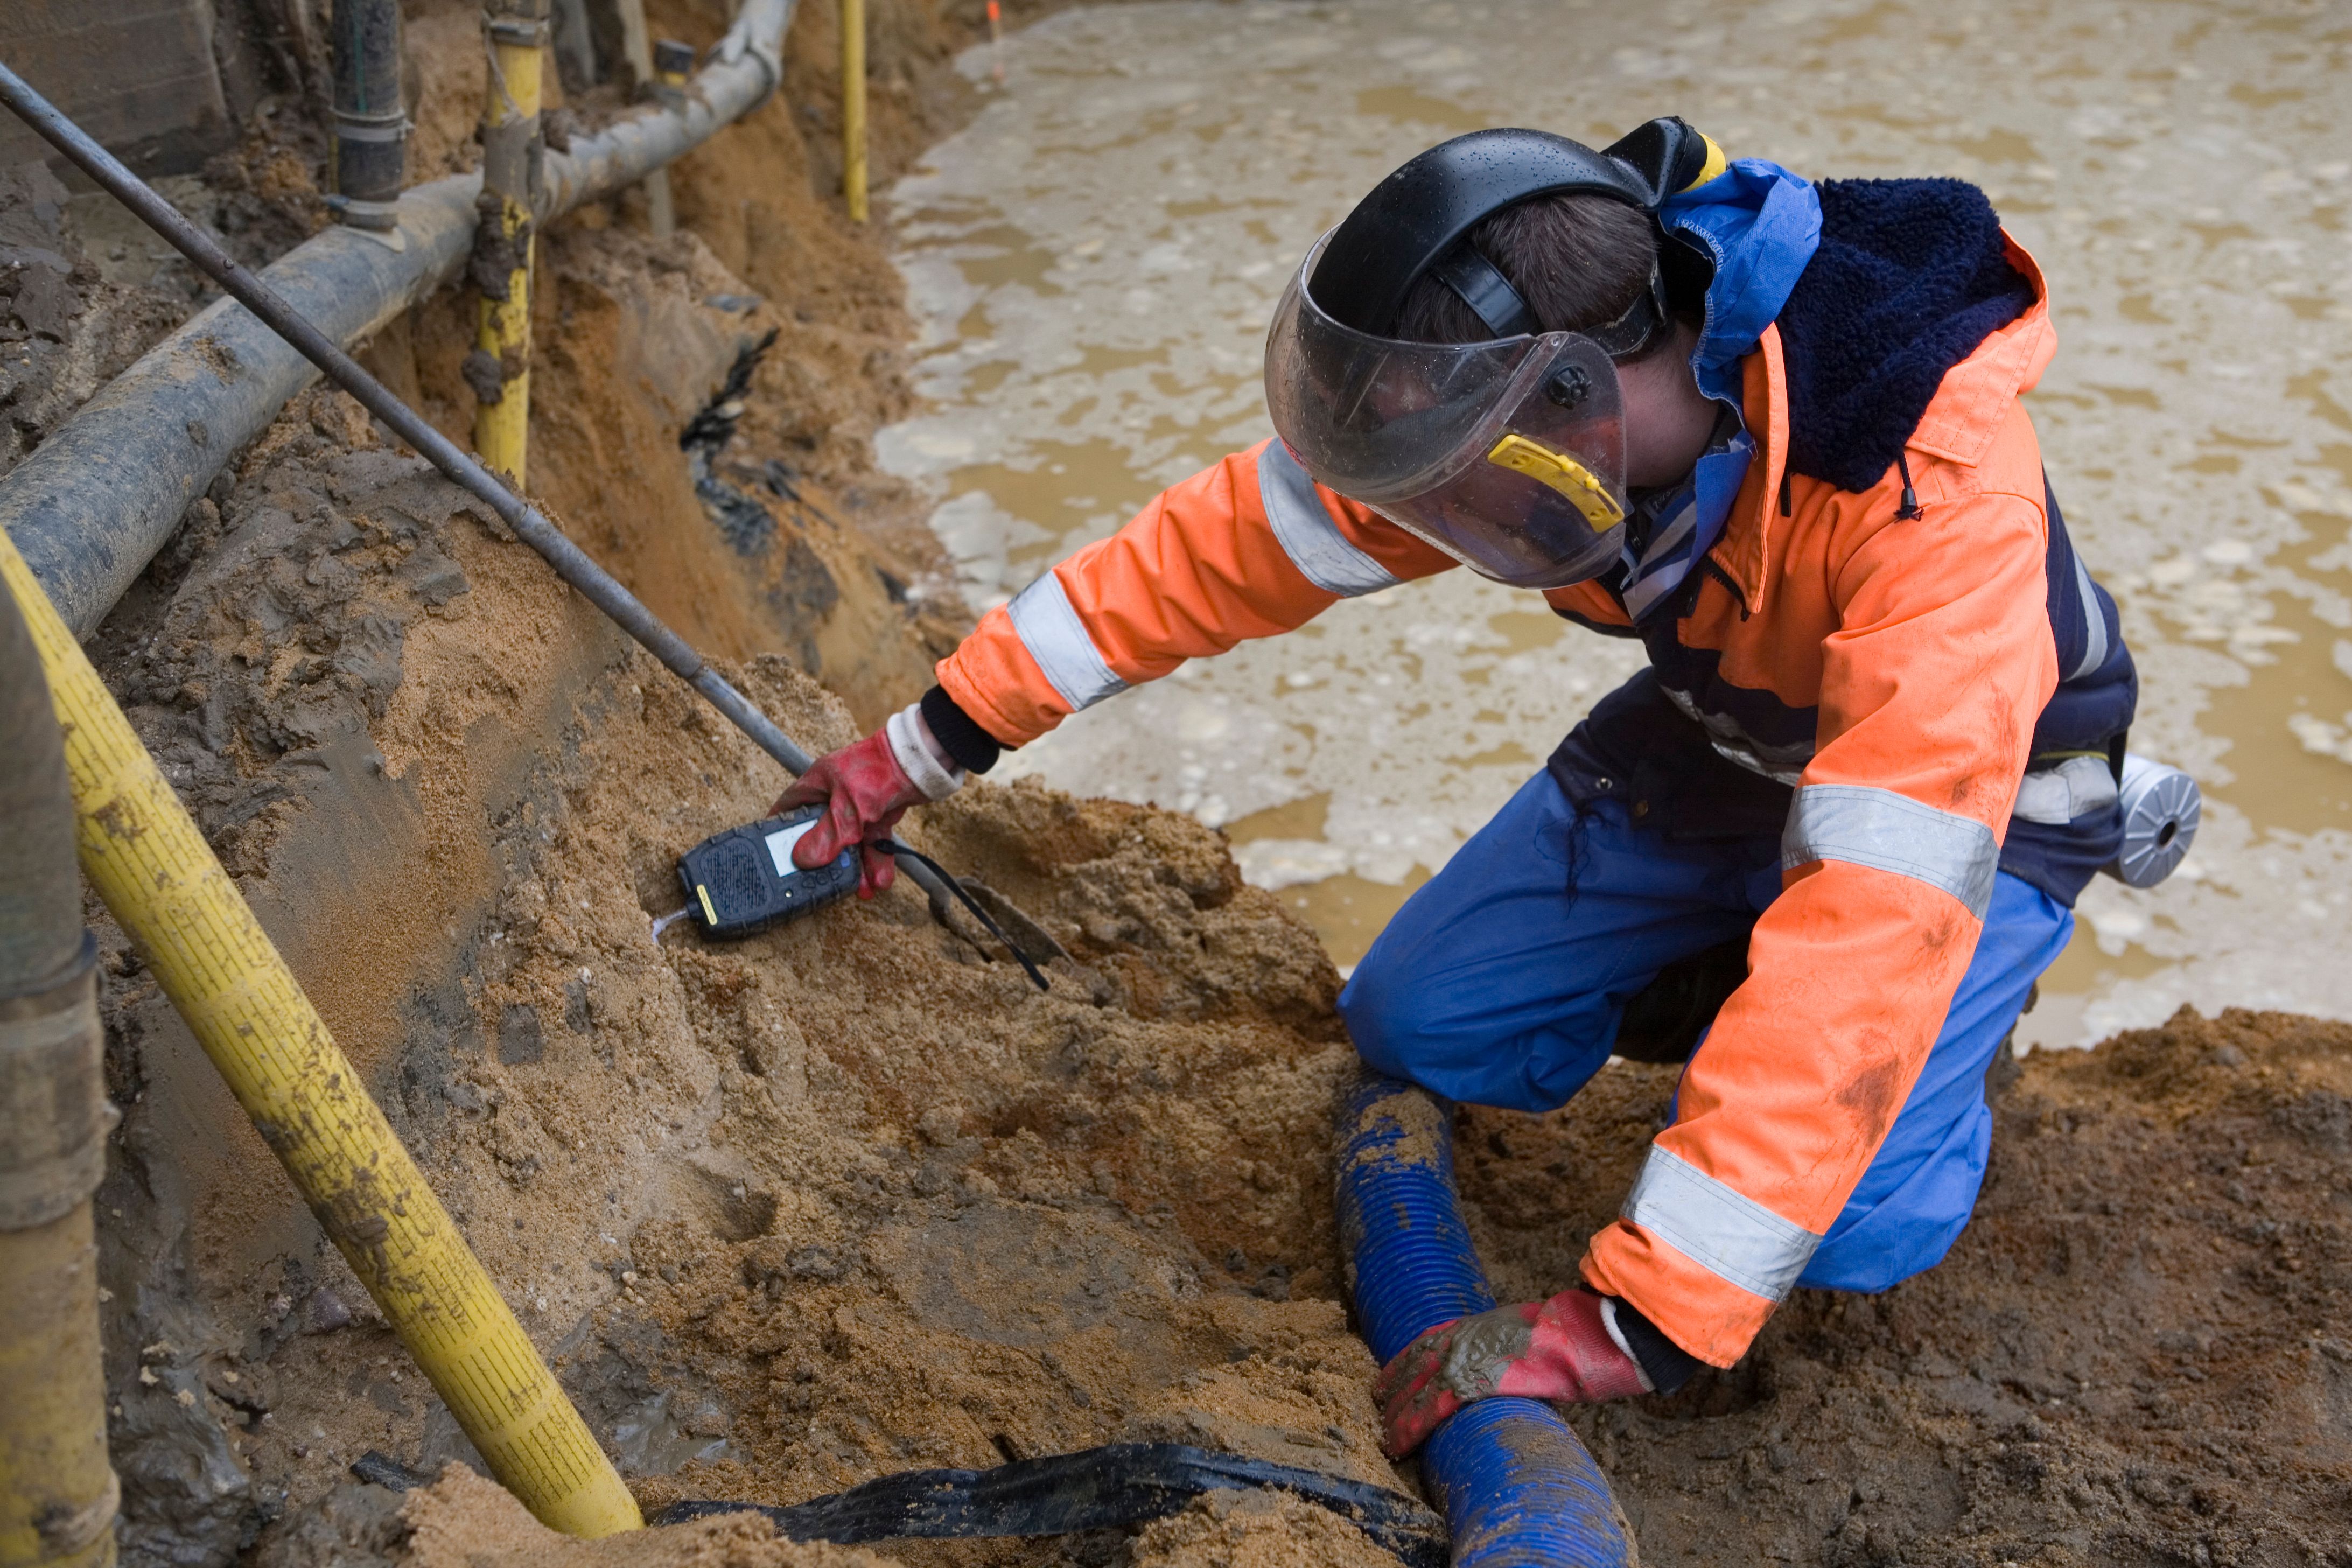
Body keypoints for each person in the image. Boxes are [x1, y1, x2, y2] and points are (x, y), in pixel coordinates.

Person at [775, 119, 2136, 1458]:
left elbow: (1880, 904)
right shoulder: (1542, 399)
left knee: (1842, 1223)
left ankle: (1952, 1061)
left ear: (1571, 398)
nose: (1433, 504)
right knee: (1420, 1019)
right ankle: (1731, 979)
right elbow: (1229, 546)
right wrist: (924, 745)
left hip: (1978, 809)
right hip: (1733, 737)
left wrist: (1638, 1321)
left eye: (1454, 468)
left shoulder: (1933, 493)